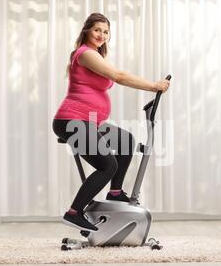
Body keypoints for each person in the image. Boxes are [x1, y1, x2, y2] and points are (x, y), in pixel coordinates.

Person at [52, 13, 170, 232]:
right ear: (86, 30)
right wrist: (154, 86)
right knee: (107, 165)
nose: (101, 35)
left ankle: (115, 192)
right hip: (72, 120)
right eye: (97, 30)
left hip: (91, 122)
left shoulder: (96, 56)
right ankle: (74, 212)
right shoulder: (85, 54)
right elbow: (119, 76)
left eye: (106, 32)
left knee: (126, 141)